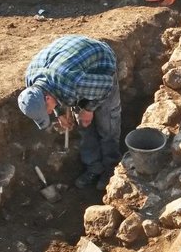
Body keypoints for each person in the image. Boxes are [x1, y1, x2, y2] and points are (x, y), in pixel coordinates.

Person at [18, 35, 121, 191]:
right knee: (83, 125)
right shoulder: (31, 82)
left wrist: (88, 109)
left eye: (47, 111)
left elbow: (106, 85)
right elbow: (54, 96)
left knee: (107, 124)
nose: (49, 113)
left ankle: (111, 170)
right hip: (74, 71)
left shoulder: (72, 82)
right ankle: (94, 167)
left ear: (47, 98)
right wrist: (59, 112)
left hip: (100, 65)